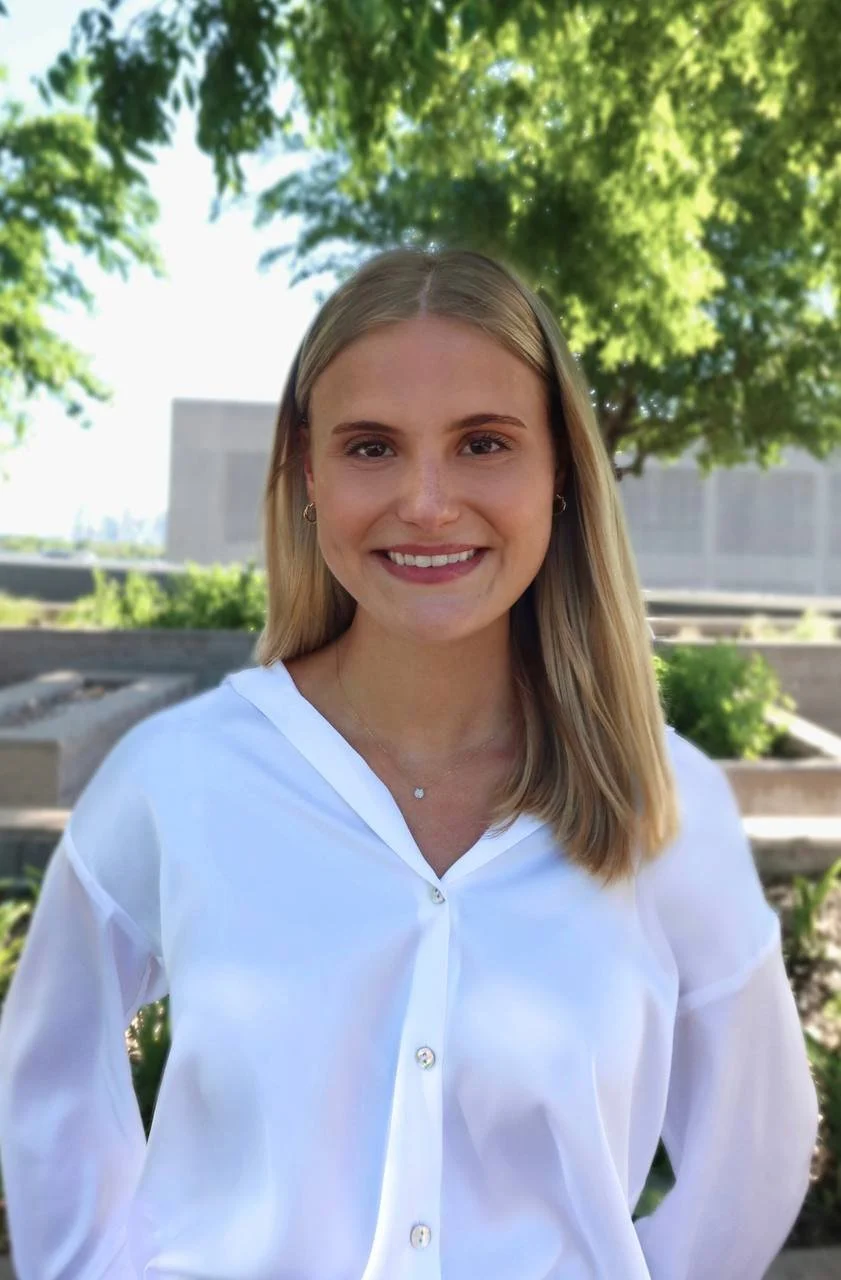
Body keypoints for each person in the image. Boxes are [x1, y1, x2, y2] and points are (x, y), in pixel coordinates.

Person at [0, 247, 818, 1279]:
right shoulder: (176, 781)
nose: (427, 503)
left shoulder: (662, 803)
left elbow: (757, 1143)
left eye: (483, 443)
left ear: (561, 472)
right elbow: (48, 1075)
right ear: (309, 474)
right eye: (372, 447)